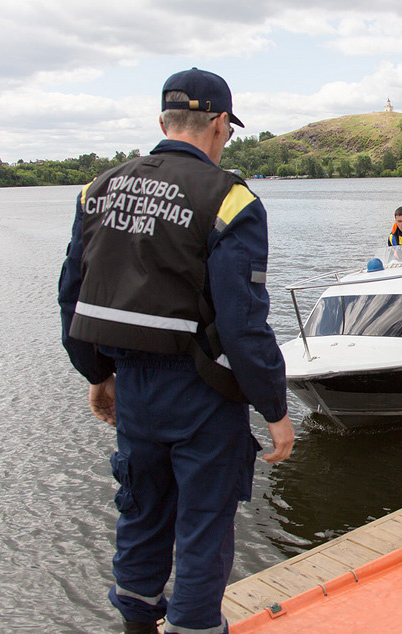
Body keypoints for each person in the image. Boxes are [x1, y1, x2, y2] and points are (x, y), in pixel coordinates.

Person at [58, 68, 295, 634]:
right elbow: (242, 323)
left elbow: (71, 296)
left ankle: (135, 625)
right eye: (228, 131)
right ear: (218, 124)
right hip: (203, 394)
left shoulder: (99, 190)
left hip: (133, 392)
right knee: (203, 529)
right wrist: (276, 407)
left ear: (162, 121)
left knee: (140, 516)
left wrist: (98, 372)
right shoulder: (230, 200)